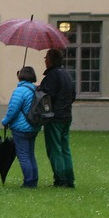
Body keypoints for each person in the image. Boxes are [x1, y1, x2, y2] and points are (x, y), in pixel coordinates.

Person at [39, 48, 76, 188]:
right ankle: (69, 179)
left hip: (54, 117)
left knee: (54, 149)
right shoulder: (67, 74)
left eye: (46, 57)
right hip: (67, 116)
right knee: (65, 148)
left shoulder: (52, 76)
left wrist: (40, 89)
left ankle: (60, 179)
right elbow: (72, 95)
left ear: (50, 59)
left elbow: (47, 96)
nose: (45, 60)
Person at [1, 66, 42, 188]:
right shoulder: (35, 90)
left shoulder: (19, 91)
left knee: (23, 155)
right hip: (33, 126)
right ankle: (33, 180)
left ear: (21, 76)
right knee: (30, 154)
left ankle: (28, 182)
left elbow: (13, 110)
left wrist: (5, 121)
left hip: (21, 128)